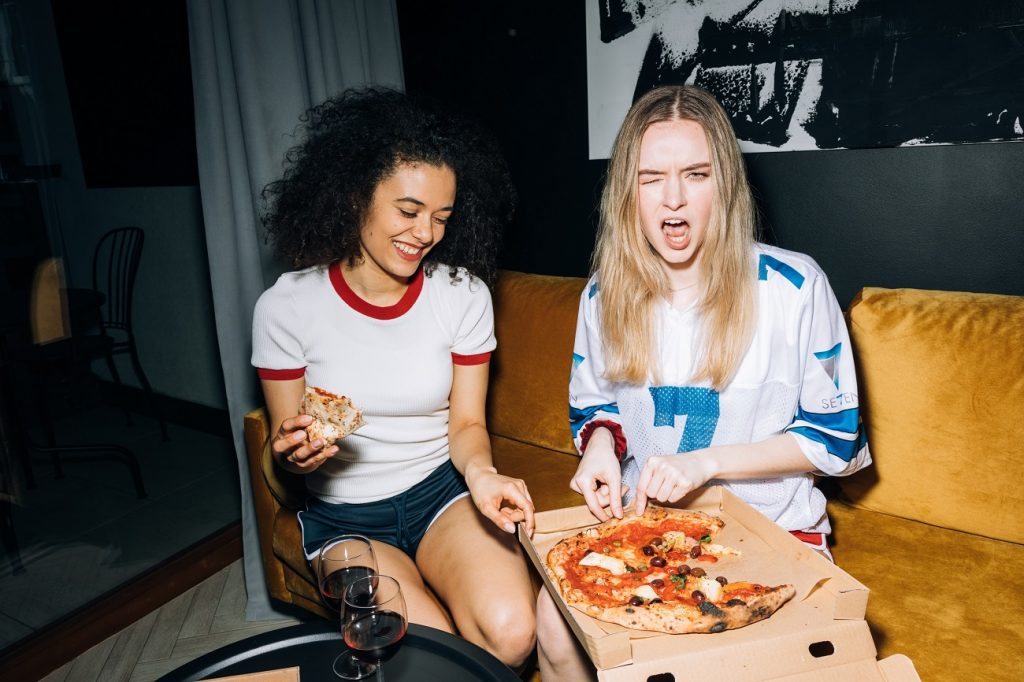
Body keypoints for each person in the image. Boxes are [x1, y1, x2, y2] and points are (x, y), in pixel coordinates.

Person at [536, 85, 872, 679]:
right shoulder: (601, 295)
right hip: (648, 528)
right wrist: (598, 451)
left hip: (777, 531)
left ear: (726, 184)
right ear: (626, 192)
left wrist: (707, 462)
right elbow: (595, 408)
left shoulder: (795, 288)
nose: (673, 200)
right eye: (650, 178)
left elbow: (835, 442)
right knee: (551, 617)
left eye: (696, 174)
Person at [251, 88, 536, 669]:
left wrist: (481, 475)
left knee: (511, 633)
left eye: (441, 217)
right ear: (356, 196)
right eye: (408, 211)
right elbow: (287, 443)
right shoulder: (287, 307)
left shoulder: (462, 295)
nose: (425, 233)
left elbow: (467, 423)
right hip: (346, 518)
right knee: (432, 661)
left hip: (441, 497)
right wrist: (296, 454)